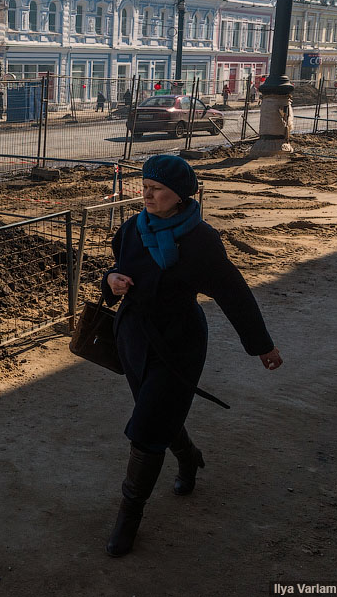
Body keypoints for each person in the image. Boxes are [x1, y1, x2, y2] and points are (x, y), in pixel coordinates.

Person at [100, 154, 283, 558]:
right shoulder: (132, 228)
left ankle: (128, 519)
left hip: (178, 341)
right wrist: (110, 280)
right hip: (132, 335)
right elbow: (116, 267)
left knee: (147, 426)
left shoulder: (201, 240)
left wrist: (261, 345)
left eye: (157, 189)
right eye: (144, 185)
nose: (146, 194)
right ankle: (188, 455)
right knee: (156, 411)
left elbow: (233, 293)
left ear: (181, 195)